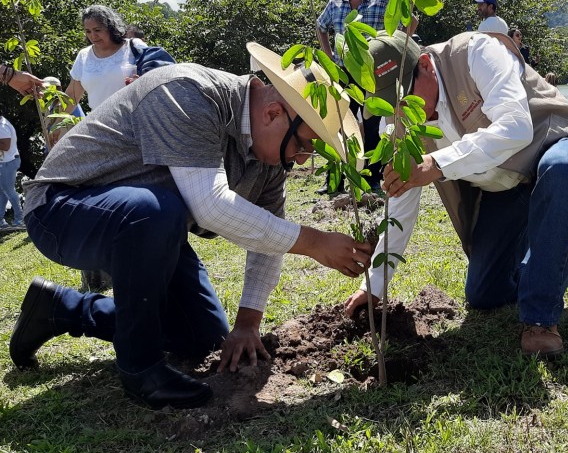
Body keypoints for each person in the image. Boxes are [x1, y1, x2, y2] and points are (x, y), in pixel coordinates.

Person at [9, 45, 373, 409]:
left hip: (148, 226)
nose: (303, 157)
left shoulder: (270, 163)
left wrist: (247, 322)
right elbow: (210, 204)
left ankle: (61, 309)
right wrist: (313, 242)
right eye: (304, 143)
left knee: (202, 336)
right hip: (62, 209)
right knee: (156, 209)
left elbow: (268, 237)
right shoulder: (189, 92)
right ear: (274, 113)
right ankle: (141, 370)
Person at [344, 30, 568, 358]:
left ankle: (540, 318)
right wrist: (373, 286)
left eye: (403, 98)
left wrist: (436, 163)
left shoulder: (476, 53)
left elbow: (516, 127)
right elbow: (400, 203)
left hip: (559, 145)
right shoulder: (398, 125)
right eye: (388, 104)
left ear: (424, 65)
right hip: (505, 188)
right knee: (484, 294)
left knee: (562, 169)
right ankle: (552, 256)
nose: (399, 112)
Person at [316, 0, 416, 192]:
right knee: (339, 124)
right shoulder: (336, 3)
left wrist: (398, 50)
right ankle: (335, 181)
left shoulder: (382, 1)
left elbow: (410, 21)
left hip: (373, 74)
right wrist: (328, 55)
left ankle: (372, 179)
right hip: (342, 72)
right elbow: (321, 27)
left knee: (372, 125)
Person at [64, 5, 143, 114]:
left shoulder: (134, 46)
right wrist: (54, 124)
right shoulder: (84, 56)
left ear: (110, 27)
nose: (93, 36)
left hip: (133, 121)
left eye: (97, 30)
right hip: (99, 125)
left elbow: (157, 74)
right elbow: (72, 96)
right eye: (88, 31)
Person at [0, 109, 24, 229]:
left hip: (8, 162)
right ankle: (0, 221)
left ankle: (20, 219)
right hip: (6, 161)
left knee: (8, 190)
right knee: (3, 191)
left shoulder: (2, 126)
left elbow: (6, 145)